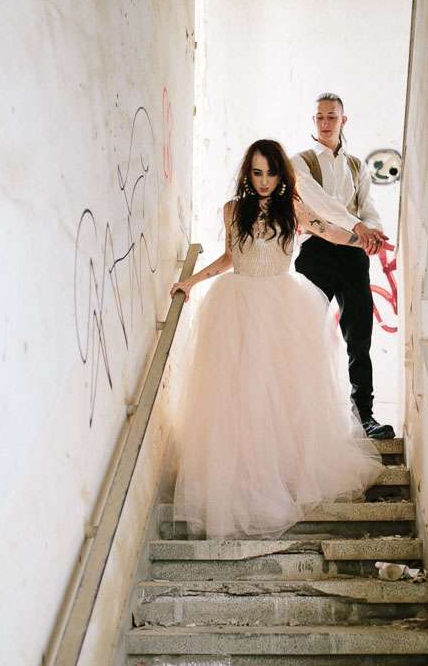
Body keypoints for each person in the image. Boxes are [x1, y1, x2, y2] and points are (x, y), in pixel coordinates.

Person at [166, 139, 382, 540]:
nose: (264, 181)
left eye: (270, 172)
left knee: (283, 394)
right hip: (238, 304)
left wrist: (363, 239)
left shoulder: (293, 208)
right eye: (257, 173)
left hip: (282, 305)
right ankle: (246, 478)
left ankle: (283, 475)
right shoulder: (232, 210)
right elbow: (230, 257)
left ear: (281, 174)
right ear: (247, 174)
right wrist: (191, 282)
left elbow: (330, 232)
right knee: (240, 394)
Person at [290, 92, 394, 440]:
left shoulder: (357, 166)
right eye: (319, 117)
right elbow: (321, 205)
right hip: (315, 253)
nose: (325, 123)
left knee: (360, 335)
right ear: (314, 120)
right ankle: (301, 418)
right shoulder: (300, 162)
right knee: (306, 336)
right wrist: (359, 228)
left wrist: (372, 232)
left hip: (352, 255)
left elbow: (368, 207)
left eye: (331, 116)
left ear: (343, 120)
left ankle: (364, 417)